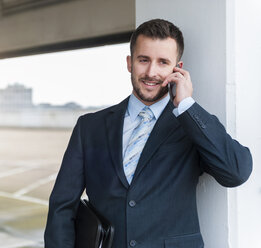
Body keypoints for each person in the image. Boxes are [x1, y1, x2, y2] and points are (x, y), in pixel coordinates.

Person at [44, 19, 252, 248]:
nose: (151, 72)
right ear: (129, 62)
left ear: (177, 69)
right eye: (143, 60)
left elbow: (236, 172)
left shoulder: (190, 123)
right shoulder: (89, 127)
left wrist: (186, 105)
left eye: (163, 62)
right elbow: (62, 207)